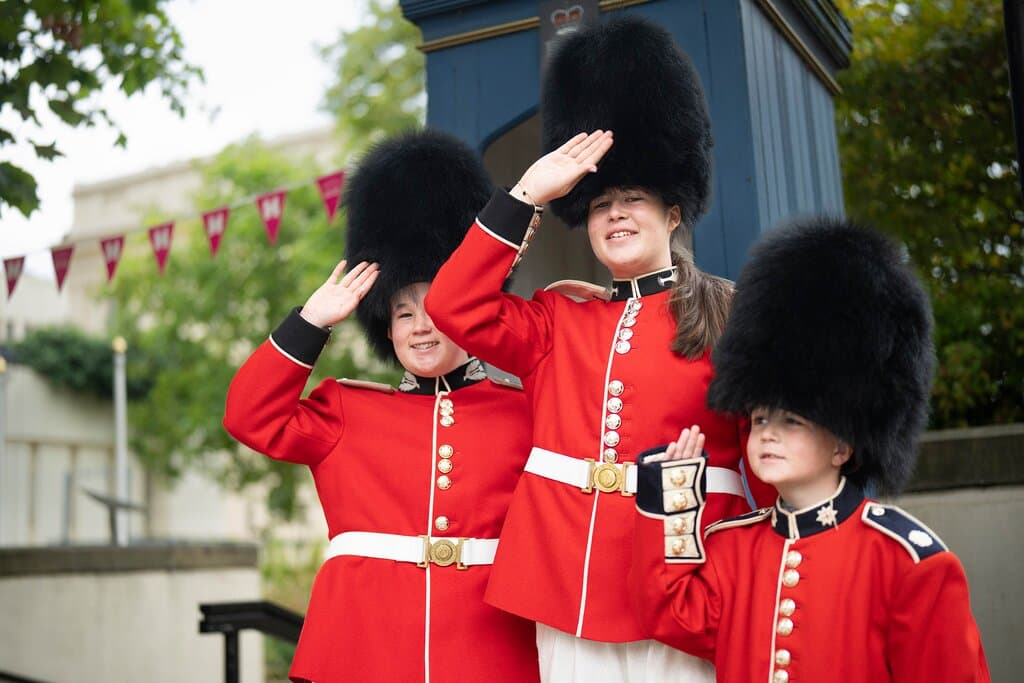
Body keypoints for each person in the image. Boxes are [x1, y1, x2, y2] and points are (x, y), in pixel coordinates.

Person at [424, 15, 774, 682]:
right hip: (564, 574)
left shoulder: (730, 314)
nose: (615, 213)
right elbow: (451, 306)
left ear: (674, 212)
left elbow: (769, 461)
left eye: (634, 198)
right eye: (599, 203)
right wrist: (527, 195)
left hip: (682, 571)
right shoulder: (559, 317)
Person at [222, 130, 539, 683]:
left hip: (491, 648)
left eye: (434, 306)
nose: (420, 327)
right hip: (364, 645)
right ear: (385, 328)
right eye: (401, 313)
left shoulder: (525, 409)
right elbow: (249, 417)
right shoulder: (347, 409)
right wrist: (310, 323)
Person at [630, 217, 991, 682]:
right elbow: (671, 614)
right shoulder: (732, 546)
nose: (767, 434)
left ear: (842, 443)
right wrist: (671, 496)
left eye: (791, 420)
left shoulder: (906, 560)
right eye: (760, 418)